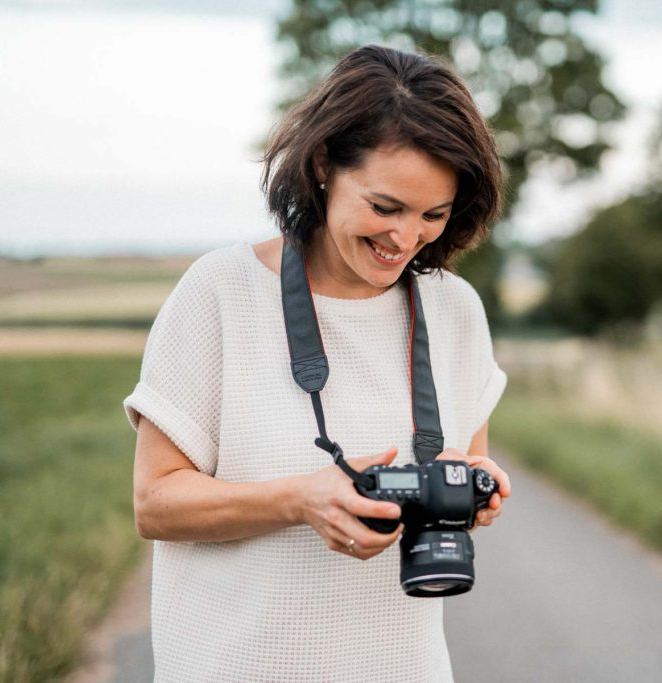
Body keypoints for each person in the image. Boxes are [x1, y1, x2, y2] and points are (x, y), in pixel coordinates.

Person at [125, 44, 510, 682]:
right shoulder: (221, 291)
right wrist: (301, 500)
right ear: (324, 165)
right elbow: (155, 503)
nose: (406, 239)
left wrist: (473, 492)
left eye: (433, 215)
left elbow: (459, 470)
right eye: (385, 207)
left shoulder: (456, 310)